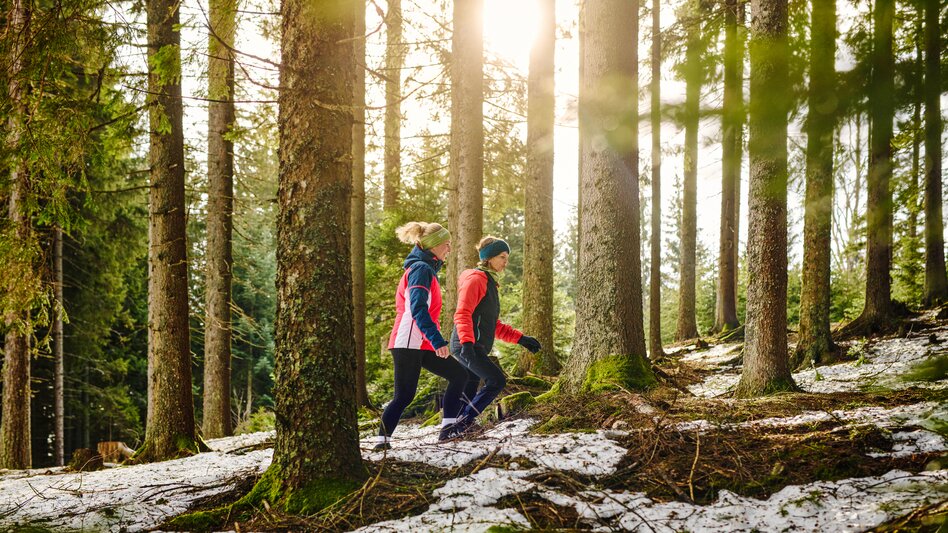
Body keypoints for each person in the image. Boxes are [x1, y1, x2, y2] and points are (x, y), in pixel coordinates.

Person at [373, 222, 470, 450]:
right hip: (408, 340)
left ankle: (448, 429)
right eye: (446, 244)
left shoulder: (426, 269)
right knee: (404, 395)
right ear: (434, 245)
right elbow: (417, 309)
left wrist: (431, 340)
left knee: (458, 375)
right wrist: (437, 340)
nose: (449, 248)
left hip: (422, 342)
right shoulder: (421, 269)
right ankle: (382, 443)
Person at [448, 236, 542, 437]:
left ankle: (453, 429)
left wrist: (521, 339)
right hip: (466, 344)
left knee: (471, 385)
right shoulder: (476, 280)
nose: (505, 262)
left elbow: (493, 325)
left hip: (474, 344)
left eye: (507, 257)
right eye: (502, 257)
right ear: (488, 258)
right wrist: (467, 343)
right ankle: (463, 423)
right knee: (496, 381)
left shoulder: (490, 283)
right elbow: (463, 313)